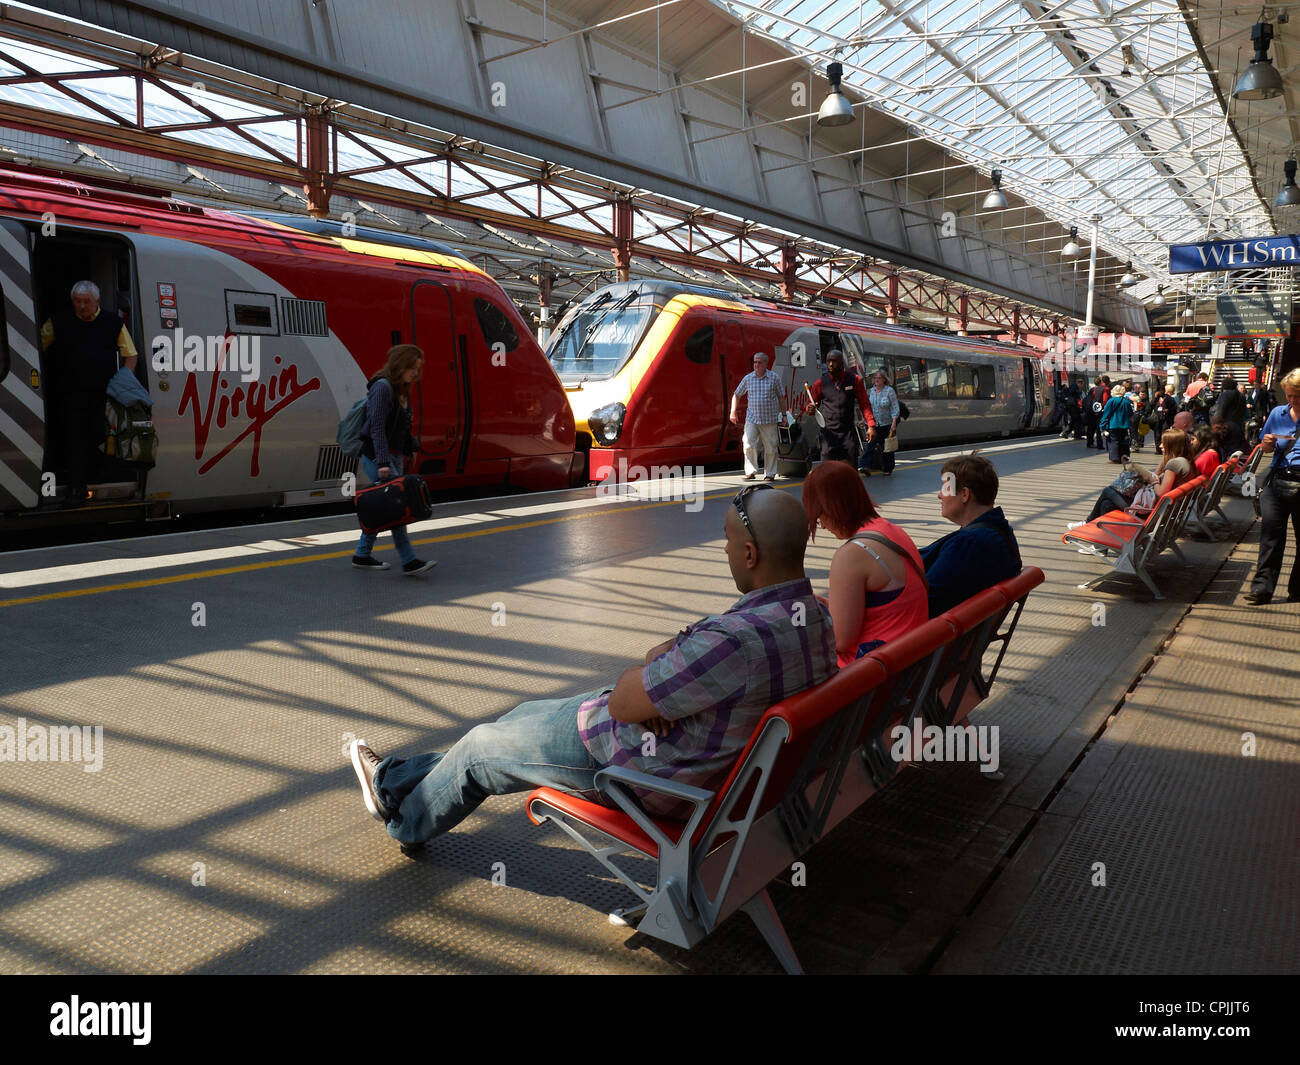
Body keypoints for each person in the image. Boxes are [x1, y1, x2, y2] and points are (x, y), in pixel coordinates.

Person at [348, 485, 837, 843]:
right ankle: (393, 778)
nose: (725, 551)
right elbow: (669, 664)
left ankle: (404, 822)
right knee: (518, 718)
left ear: (750, 554)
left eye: (729, 543)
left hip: (642, 772)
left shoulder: (734, 642)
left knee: (480, 748)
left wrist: (645, 688)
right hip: (696, 761)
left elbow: (627, 700)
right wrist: (658, 684)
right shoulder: (814, 616)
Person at [801, 461, 927, 666]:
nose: (822, 525)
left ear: (834, 507)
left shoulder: (852, 554)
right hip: (906, 660)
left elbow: (841, 640)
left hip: (871, 676)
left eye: (819, 515)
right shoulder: (892, 532)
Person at [40, 280, 139, 501]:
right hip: (69, 392)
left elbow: (130, 355)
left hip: (102, 392)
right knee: (75, 438)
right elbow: (38, 345)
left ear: (97, 302)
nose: (81, 306)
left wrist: (123, 382)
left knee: (99, 436)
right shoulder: (58, 321)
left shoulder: (112, 322)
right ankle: (77, 487)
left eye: (86, 301)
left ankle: (98, 480)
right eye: (77, 301)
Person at [352, 344, 437, 574]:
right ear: (401, 365)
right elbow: (377, 427)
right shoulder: (382, 388)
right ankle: (409, 561)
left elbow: (399, 425)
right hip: (378, 456)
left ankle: (362, 555)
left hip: (394, 456)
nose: (415, 374)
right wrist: (382, 463)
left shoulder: (400, 389)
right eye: (412, 368)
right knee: (397, 507)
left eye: (418, 369)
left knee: (384, 508)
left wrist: (411, 445)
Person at [918, 453, 1021, 617]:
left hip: (933, 636)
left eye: (945, 488)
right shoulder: (999, 531)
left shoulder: (970, 543)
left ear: (965, 495)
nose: (939, 495)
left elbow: (924, 602)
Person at [1245, 369, 1300, 604]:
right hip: (1277, 480)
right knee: (1270, 535)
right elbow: (1266, 447)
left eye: (1297, 395)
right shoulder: (1278, 413)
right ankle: (1261, 589)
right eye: (1289, 395)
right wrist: (1267, 444)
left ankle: (1297, 589)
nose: (1293, 400)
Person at [1072, 429, 1194, 524]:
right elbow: (1158, 475)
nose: (1160, 446)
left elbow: (1162, 492)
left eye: (1164, 443)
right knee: (1106, 504)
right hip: (1158, 509)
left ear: (1173, 445)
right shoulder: (1184, 461)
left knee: (1108, 491)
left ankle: (1087, 523)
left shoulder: (1174, 464)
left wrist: (1153, 480)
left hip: (1148, 511)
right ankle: (1100, 546)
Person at [804, 349, 874, 468]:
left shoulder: (855, 380)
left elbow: (865, 404)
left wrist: (871, 425)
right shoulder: (820, 383)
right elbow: (810, 405)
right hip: (828, 435)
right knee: (826, 473)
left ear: (842, 363)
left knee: (850, 472)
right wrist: (810, 409)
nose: (830, 364)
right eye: (828, 361)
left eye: (834, 361)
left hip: (848, 434)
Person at [730, 352, 789, 482]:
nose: (756, 365)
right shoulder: (748, 378)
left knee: (770, 447)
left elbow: (781, 397)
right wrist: (733, 411)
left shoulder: (774, 378)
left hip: (769, 419)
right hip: (752, 418)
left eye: (759, 362)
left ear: (766, 364)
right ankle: (750, 471)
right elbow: (737, 394)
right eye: (755, 362)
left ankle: (770, 473)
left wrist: (784, 415)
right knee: (748, 443)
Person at [860, 369, 901, 475]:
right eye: (875, 378)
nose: (876, 380)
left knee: (886, 448)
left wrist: (893, 423)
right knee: (870, 445)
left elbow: (895, 407)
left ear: (884, 379)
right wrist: (864, 420)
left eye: (879, 378)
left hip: (886, 424)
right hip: (874, 424)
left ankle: (888, 468)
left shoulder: (889, 391)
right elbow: (869, 408)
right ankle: (865, 466)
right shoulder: (871, 391)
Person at [1099, 382, 1131, 463]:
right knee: (1123, 442)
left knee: (1114, 441)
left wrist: (1102, 426)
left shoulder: (1111, 401)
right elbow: (1130, 413)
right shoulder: (1126, 401)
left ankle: (1115, 458)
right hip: (1124, 425)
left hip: (1113, 425)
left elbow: (1106, 414)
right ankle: (1124, 457)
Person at [1083, 376, 1110, 450]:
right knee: (1100, 427)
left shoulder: (1094, 389)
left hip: (1093, 409)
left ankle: (1090, 442)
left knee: (1091, 427)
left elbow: (1092, 399)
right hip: (1100, 410)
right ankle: (1100, 444)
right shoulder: (1105, 389)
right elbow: (1105, 401)